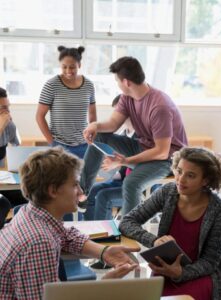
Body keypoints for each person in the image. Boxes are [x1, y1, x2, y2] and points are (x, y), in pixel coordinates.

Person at [0, 147, 138, 299]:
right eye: (74, 185)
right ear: (53, 190)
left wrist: (103, 252)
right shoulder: (38, 243)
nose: (80, 191)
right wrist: (103, 286)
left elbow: (66, 234)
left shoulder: (29, 213)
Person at [120, 147, 221, 300]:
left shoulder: (218, 208)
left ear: (205, 180)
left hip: (201, 275)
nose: (181, 179)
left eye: (191, 175)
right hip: (165, 270)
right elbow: (127, 222)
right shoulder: (167, 192)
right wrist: (153, 240)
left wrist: (181, 273)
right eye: (179, 171)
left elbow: (210, 261)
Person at [80, 56, 187, 217]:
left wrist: (125, 161)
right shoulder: (127, 97)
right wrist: (95, 126)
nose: (117, 84)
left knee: (131, 183)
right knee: (99, 136)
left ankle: (129, 231)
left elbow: (162, 152)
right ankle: (82, 192)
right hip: (142, 147)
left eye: (117, 81)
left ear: (126, 82)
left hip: (167, 159)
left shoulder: (159, 106)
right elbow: (113, 123)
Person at [36, 46, 97, 159]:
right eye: (64, 67)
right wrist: (52, 143)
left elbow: (92, 115)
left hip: (84, 145)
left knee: (84, 176)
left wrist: (92, 137)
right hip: (59, 145)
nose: (68, 71)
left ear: (79, 65)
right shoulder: (51, 85)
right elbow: (39, 116)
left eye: (72, 67)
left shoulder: (89, 85)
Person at [0, 87, 27, 206]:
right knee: (3, 204)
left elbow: (18, 151)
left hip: (2, 182)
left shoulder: (9, 126)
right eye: (4, 108)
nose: (8, 113)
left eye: (8, 107)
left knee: (29, 196)